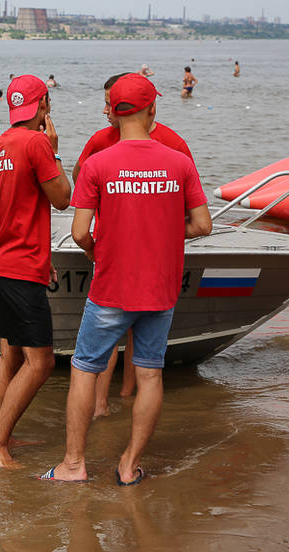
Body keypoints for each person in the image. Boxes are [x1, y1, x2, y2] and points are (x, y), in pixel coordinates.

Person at [41, 74, 211, 484]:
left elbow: (80, 231)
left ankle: (74, 465)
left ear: (113, 113)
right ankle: (129, 465)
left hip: (111, 288)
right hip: (160, 289)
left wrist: (104, 247)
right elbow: (202, 225)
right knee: (150, 373)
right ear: (153, 109)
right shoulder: (179, 163)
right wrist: (167, 230)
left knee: (85, 368)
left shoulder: (99, 163)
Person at [70, 73, 196, 417]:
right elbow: (80, 175)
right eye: (109, 104)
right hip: (134, 262)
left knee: (118, 335)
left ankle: (124, 395)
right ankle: (100, 405)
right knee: (141, 355)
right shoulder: (101, 140)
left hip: (132, 260)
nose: (111, 111)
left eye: (114, 104)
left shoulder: (174, 143)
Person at [0, 75, 71, 469]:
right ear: (44, 105)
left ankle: (3, 433)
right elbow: (63, 199)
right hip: (21, 267)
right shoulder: (35, 143)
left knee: (10, 354)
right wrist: (55, 151)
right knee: (42, 361)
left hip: (1, 262)